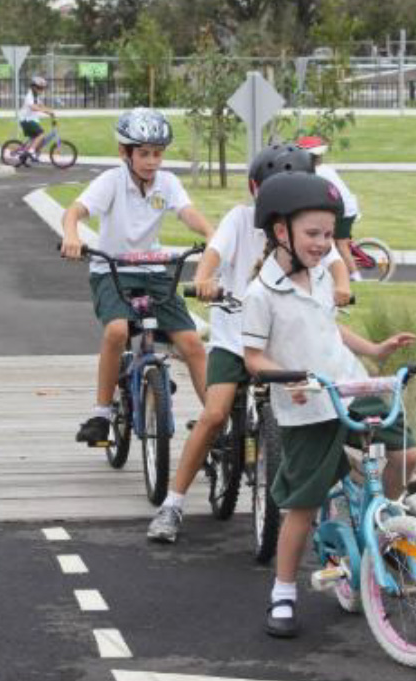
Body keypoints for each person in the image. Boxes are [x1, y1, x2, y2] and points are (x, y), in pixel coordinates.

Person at [241, 171, 416, 639]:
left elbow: (330, 330)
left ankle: (383, 529)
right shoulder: (262, 293)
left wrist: (375, 350)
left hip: (351, 386)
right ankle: (282, 593)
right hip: (309, 406)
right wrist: (289, 377)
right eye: (314, 234)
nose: (325, 244)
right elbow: (253, 356)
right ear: (282, 232)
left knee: (407, 454)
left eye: (329, 234)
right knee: (303, 506)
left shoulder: (319, 277)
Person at [146, 144, 353, 543]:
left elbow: (335, 264)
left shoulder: (305, 234)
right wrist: (205, 278)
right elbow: (215, 251)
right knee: (214, 413)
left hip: (287, 343)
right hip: (234, 339)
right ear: (257, 191)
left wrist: (342, 286)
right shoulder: (241, 220)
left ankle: (331, 497)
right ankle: (172, 504)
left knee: (325, 408)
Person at [61, 108, 214, 446]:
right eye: (143, 154)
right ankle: (101, 413)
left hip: (153, 271)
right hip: (112, 270)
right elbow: (75, 211)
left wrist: (210, 232)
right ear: (124, 153)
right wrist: (72, 236)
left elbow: (187, 214)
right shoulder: (111, 182)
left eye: (157, 153)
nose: (151, 161)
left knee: (191, 343)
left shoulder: (167, 182)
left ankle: (214, 423)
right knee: (117, 331)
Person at [296, 135, 363, 281]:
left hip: (344, 211)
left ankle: (356, 277)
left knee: (340, 244)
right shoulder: (323, 169)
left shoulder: (318, 173)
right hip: (344, 207)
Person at [19, 76, 54, 163]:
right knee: (41, 134)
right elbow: (33, 107)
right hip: (26, 120)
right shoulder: (29, 96)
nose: (41, 90)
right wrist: (44, 111)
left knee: (36, 139)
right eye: (39, 88)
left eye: (42, 88)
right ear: (33, 87)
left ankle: (27, 153)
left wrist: (49, 111)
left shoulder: (36, 96)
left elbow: (41, 105)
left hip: (31, 120)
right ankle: (31, 151)